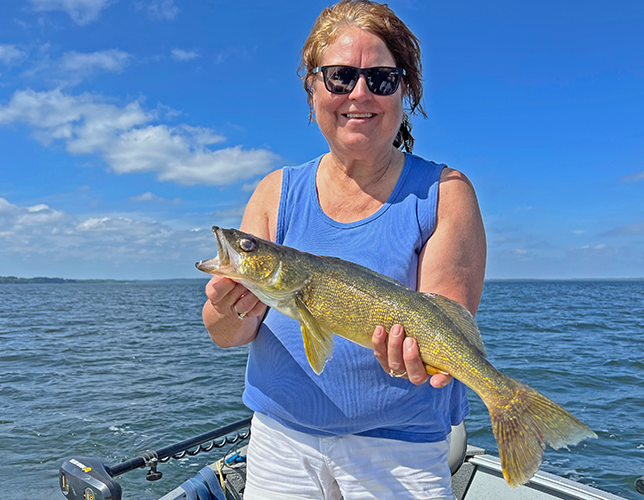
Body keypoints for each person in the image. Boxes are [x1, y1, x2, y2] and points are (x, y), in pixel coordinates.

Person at [202, 1, 486, 498]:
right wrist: (227, 308)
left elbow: (447, 319)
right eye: (339, 77)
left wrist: (424, 359)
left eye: (380, 79)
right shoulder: (275, 190)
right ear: (313, 89)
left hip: (400, 454)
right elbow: (229, 334)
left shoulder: (446, 192)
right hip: (280, 444)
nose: (359, 93)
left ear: (405, 92)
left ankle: (512, 405)